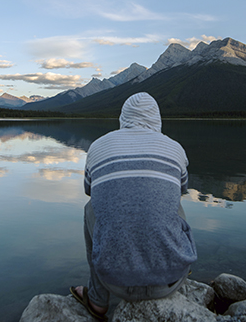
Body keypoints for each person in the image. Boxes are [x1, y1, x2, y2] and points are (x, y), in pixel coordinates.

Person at [71, 92, 197, 321]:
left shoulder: (98, 146)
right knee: (174, 204)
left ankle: (98, 300)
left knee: (91, 208)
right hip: (170, 282)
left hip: (114, 282)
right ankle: (179, 262)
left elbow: (90, 190)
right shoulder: (175, 148)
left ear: (123, 117)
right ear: (157, 119)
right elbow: (182, 189)